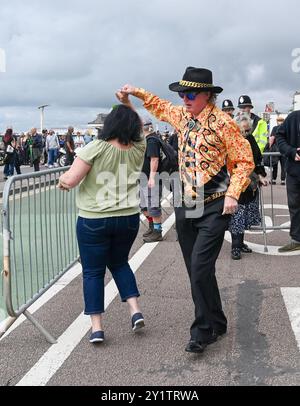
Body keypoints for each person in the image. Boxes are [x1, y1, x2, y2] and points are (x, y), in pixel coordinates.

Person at [120, 67, 255, 354]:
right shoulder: (181, 116)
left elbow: (245, 160)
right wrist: (135, 91)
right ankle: (217, 321)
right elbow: (159, 105)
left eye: (191, 94)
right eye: (182, 93)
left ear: (208, 95)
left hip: (216, 203)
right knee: (197, 270)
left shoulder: (223, 123)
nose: (184, 98)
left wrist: (233, 193)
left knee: (199, 268)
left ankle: (201, 332)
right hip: (186, 203)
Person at [58, 104, 146, 344]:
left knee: (93, 272)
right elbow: (137, 123)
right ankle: (135, 310)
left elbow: (72, 179)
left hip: (94, 219)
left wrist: (61, 180)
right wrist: (127, 100)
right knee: (120, 264)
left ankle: (97, 328)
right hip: (128, 218)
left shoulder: (95, 148)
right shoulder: (139, 148)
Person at [229, 113, 268, 260]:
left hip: (250, 183)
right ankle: (235, 247)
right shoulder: (232, 141)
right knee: (237, 215)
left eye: (248, 130)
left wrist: (261, 176)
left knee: (245, 216)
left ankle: (241, 243)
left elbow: (258, 158)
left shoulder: (250, 139)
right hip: (236, 183)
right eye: (243, 131)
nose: (246, 133)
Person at [276, 111, 300, 252]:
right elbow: (280, 136)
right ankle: (297, 239)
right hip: (294, 172)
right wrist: (291, 151)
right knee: (295, 206)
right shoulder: (293, 117)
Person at [140, 119, 163, 243]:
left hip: (151, 178)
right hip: (144, 178)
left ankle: (157, 232)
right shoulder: (148, 140)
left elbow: (154, 159)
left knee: (153, 206)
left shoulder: (152, 140)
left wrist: (152, 177)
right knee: (144, 206)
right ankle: (152, 226)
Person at [268, 117, 286, 185]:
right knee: (283, 165)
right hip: (284, 149)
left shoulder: (275, 128)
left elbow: (272, 138)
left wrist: (269, 146)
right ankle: (283, 180)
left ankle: (273, 179)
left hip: (276, 149)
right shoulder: (286, 127)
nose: (279, 122)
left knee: (274, 165)